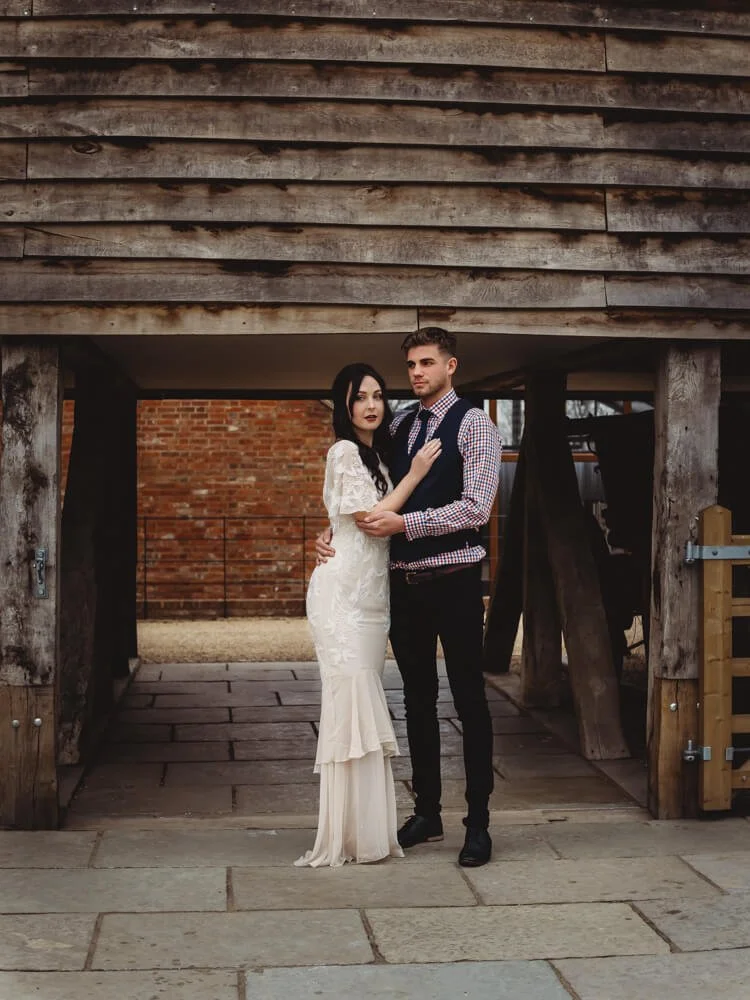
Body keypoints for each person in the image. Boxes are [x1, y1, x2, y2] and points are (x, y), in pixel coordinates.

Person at [316, 328, 501, 867]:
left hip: (456, 581)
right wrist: (332, 530)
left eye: (427, 363)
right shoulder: (397, 426)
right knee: (417, 700)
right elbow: (365, 493)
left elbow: (477, 508)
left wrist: (407, 522)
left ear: (451, 366)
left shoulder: (476, 426)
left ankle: (479, 823)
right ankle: (428, 811)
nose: (417, 372)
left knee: (469, 700)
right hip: (402, 587)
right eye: (412, 365)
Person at [295, 362, 442, 868]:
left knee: (364, 707)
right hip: (342, 601)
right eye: (361, 397)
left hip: (372, 600)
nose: (372, 405)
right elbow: (376, 521)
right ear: (345, 405)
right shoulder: (342, 451)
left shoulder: (374, 457)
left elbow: (347, 521)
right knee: (350, 708)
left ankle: (366, 834)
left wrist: (327, 533)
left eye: (379, 395)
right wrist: (417, 473)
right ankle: (347, 837)